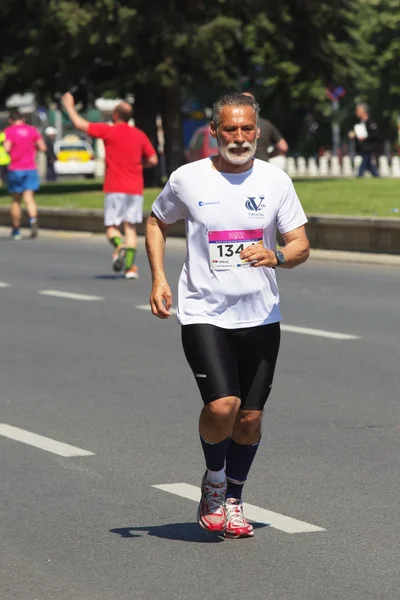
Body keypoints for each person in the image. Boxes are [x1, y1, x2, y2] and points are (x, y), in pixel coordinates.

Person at [146, 92, 310, 539]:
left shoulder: (276, 182)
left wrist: (276, 255)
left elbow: (300, 245)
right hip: (204, 311)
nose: (239, 137)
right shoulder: (187, 179)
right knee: (223, 405)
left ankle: (235, 498)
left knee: (250, 418)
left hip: (260, 314)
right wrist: (159, 278)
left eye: (246, 129)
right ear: (214, 132)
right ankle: (214, 481)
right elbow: (157, 221)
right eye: (230, 129)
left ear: (257, 131)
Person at [61, 93, 158, 279]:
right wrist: (140, 165)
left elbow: (81, 125)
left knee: (112, 228)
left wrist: (70, 107)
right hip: (135, 188)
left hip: (115, 187)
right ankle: (129, 269)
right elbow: (153, 159)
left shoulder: (109, 131)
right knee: (130, 228)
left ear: (115, 115)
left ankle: (119, 246)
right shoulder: (139, 135)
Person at [4, 110, 46, 240]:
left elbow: (6, 148)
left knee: (16, 200)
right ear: (23, 119)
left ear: (11, 120)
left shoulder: (9, 131)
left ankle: (16, 230)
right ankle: (33, 220)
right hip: (30, 168)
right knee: (29, 198)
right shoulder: (32, 130)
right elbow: (43, 147)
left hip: (15, 168)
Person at [242, 91, 288, 160]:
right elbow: (283, 147)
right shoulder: (266, 124)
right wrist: (269, 155)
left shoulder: (233, 124)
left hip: (243, 166)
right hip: (264, 163)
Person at [352, 103, 380, 178]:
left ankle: (360, 175)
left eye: (358, 111)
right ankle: (376, 175)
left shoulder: (370, 123)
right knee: (368, 164)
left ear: (364, 112)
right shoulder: (360, 123)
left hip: (369, 147)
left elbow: (375, 135)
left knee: (365, 161)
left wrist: (365, 138)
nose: (356, 113)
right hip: (363, 147)